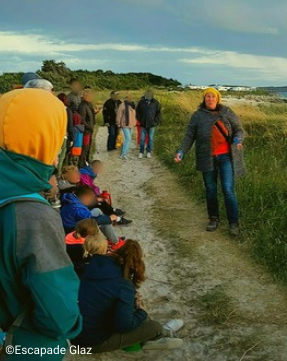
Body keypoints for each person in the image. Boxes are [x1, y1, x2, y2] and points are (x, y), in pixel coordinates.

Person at [0, 88, 82, 359]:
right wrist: (70, 326)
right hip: (22, 345)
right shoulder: (33, 215)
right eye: (58, 139)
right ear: (42, 142)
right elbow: (57, 314)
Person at [74, 238, 184, 353]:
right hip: (87, 343)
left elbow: (102, 295)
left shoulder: (89, 267)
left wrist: (130, 298)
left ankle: (155, 336)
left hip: (73, 331)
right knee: (152, 326)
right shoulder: (124, 285)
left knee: (130, 307)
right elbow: (123, 326)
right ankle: (162, 333)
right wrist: (142, 312)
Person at [176, 88, 246, 237]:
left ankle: (233, 223)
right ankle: (213, 219)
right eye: (207, 96)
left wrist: (237, 139)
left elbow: (239, 129)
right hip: (206, 157)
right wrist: (181, 152)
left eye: (213, 96)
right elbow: (189, 136)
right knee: (210, 189)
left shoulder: (226, 112)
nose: (210, 99)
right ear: (204, 99)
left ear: (217, 98)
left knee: (228, 189)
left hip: (226, 157)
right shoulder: (197, 116)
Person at [136, 89, 162, 159]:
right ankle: (141, 152)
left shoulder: (156, 103)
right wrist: (140, 120)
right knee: (142, 139)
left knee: (150, 139)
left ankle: (148, 152)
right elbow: (137, 112)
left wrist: (156, 121)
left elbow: (158, 113)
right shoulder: (141, 102)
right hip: (143, 124)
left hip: (152, 124)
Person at [78, 89, 97, 166]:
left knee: (88, 147)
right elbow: (82, 120)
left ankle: (86, 161)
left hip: (89, 129)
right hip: (86, 131)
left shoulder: (88, 104)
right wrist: (89, 127)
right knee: (85, 148)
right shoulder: (82, 105)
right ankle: (82, 164)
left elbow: (90, 116)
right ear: (85, 96)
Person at [117, 94, 137, 160]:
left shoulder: (133, 105)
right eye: (128, 97)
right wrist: (118, 124)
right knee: (128, 139)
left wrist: (135, 122)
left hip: (131, 124)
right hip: (125, 124)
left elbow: (134, 115)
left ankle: (125, 154)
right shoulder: (122, 105)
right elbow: (119, 115)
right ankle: (123, 154)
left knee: (128, 139)